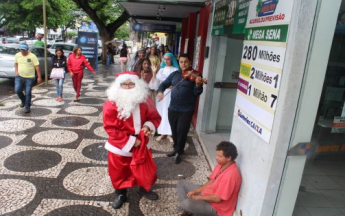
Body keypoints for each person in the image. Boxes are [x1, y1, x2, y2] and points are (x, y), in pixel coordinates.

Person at [103, 71, 161, 210]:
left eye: (131, 84)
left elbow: (154, 118)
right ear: (118, 86)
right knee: (119, 171)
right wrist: (130, 141)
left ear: (137, 85)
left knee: (144, 168)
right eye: (124, 84)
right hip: (120, 144)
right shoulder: (111, 104)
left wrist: (148, 126)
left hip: (142, 142)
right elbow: (110, 128)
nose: (128, 87)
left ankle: (143, 187)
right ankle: (121, 193)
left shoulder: (145, 100)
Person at [157, 53, 205, 164]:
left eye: (186, 62)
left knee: (182, 130)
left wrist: (198, 85)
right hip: (173, 107)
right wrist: (160, 92)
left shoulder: (196, 75)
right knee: (173, 129)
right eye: (181, 62)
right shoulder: (174, 74)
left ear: (190, 63)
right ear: (179, 62)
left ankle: (179, 151)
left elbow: (197, 92)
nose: (183, 64)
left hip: (186, 108)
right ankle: (175, 148)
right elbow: (163, 84)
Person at [177, 141, 242, 216]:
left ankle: (187, 209)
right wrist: (195, 191)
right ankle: (186, 210)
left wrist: (198, 198)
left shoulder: (231, 175)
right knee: (181, 184)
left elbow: (217, 199)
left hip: (216, 208)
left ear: (229, 158)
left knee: (186, 203)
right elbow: (211, 181)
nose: (216, 158)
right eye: (216, 155)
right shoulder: (221, 164)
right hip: (207, 193)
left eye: (219, 156)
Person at [150, 53, 180, 143]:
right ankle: (162, 133)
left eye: (168, 59)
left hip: (172, 94)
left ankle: (170, 133)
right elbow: (156, 83)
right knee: (162, 112)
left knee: (170, 113)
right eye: (165, 59)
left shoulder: (176, 70)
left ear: (172, 60)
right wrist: (154, 73)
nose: (166, 61)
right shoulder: (161, 70)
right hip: (162, 94)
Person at [14, 43, 42, 113]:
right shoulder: (17, 55)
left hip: (29, 77)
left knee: (28, 92)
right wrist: (16, 71)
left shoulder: (32, 56)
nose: (22, 51)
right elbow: (16, 63)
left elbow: (37, 67)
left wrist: (39, 77)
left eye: (24, 50)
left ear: (27, 49)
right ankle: (23, 100)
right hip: (19, 76)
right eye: (21, 50)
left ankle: (27, 106)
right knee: (17, 90)